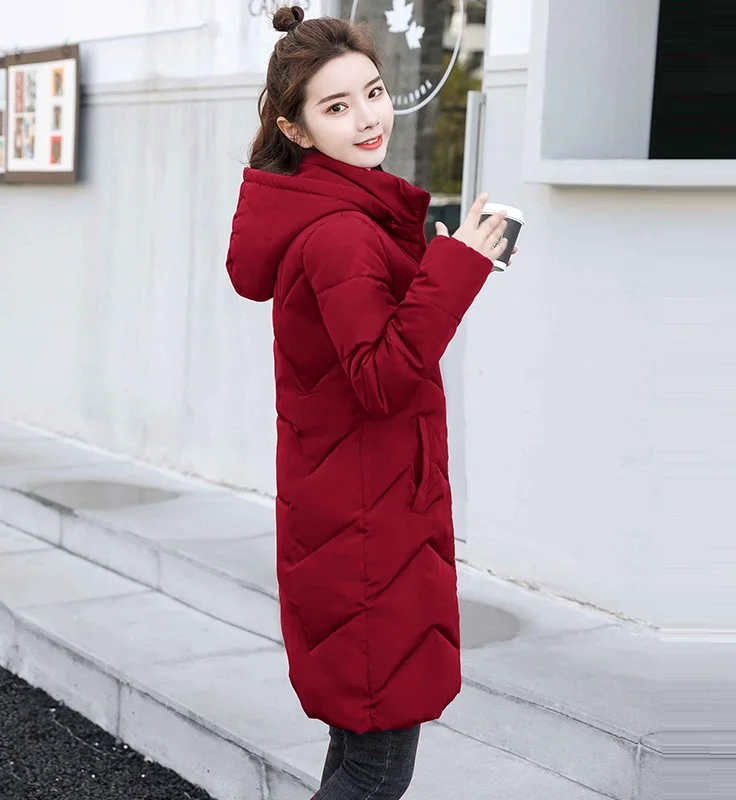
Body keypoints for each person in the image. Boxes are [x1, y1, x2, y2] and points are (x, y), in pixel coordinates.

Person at [226, 6, 514, 799]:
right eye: (337, 106)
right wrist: (457, 268)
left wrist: (442, 264)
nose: (368, 119)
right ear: (296, 128)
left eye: (375, 93)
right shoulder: (340, 233)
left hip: (359, 516)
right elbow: (383, 377)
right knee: (378, 768)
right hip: (365, 536)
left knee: (358, 753)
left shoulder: (346, 214)